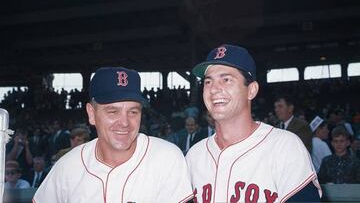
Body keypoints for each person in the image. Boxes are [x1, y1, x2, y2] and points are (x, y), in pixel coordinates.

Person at [33, 67, 193, 203]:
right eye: (113, 111)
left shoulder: (166, 158)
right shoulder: (67, 167)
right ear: (91, 113)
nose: (124, 122)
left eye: (133, 111)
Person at [186, 44, 321, 202]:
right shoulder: (194, 156)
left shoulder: (284, 147)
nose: (214, 89)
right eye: (208, 82)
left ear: (251, 90)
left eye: (226, 79)